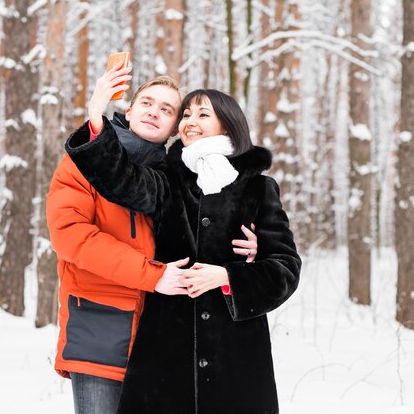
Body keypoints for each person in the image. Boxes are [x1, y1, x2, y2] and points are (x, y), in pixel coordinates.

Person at [65, 66, 302, 414]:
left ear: (227, 124)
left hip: (235, 360)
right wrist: (96, 117)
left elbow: (286, 269)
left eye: (203, 114)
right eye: (186, 114)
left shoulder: (257, 188)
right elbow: (120, 180)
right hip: (164, 357)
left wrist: (228, 277)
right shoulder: (166, 179)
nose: (190, 121)